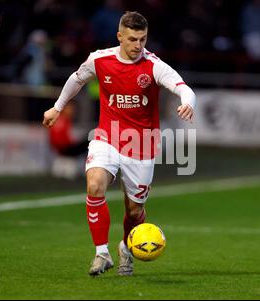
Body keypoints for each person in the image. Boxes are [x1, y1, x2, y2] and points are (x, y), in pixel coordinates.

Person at [42, 11, 196, 276]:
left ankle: (126, 247)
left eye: (143, 39)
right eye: (133, 39)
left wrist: (187, 103)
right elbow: (76, 79)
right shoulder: (99, 59)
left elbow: (184, 88)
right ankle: (102, 253)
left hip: (142, 144)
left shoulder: (153, 65)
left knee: (135, 212)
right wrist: (57, 108)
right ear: (120, 37)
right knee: (94, 185)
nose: (138, 45)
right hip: (107, 136)